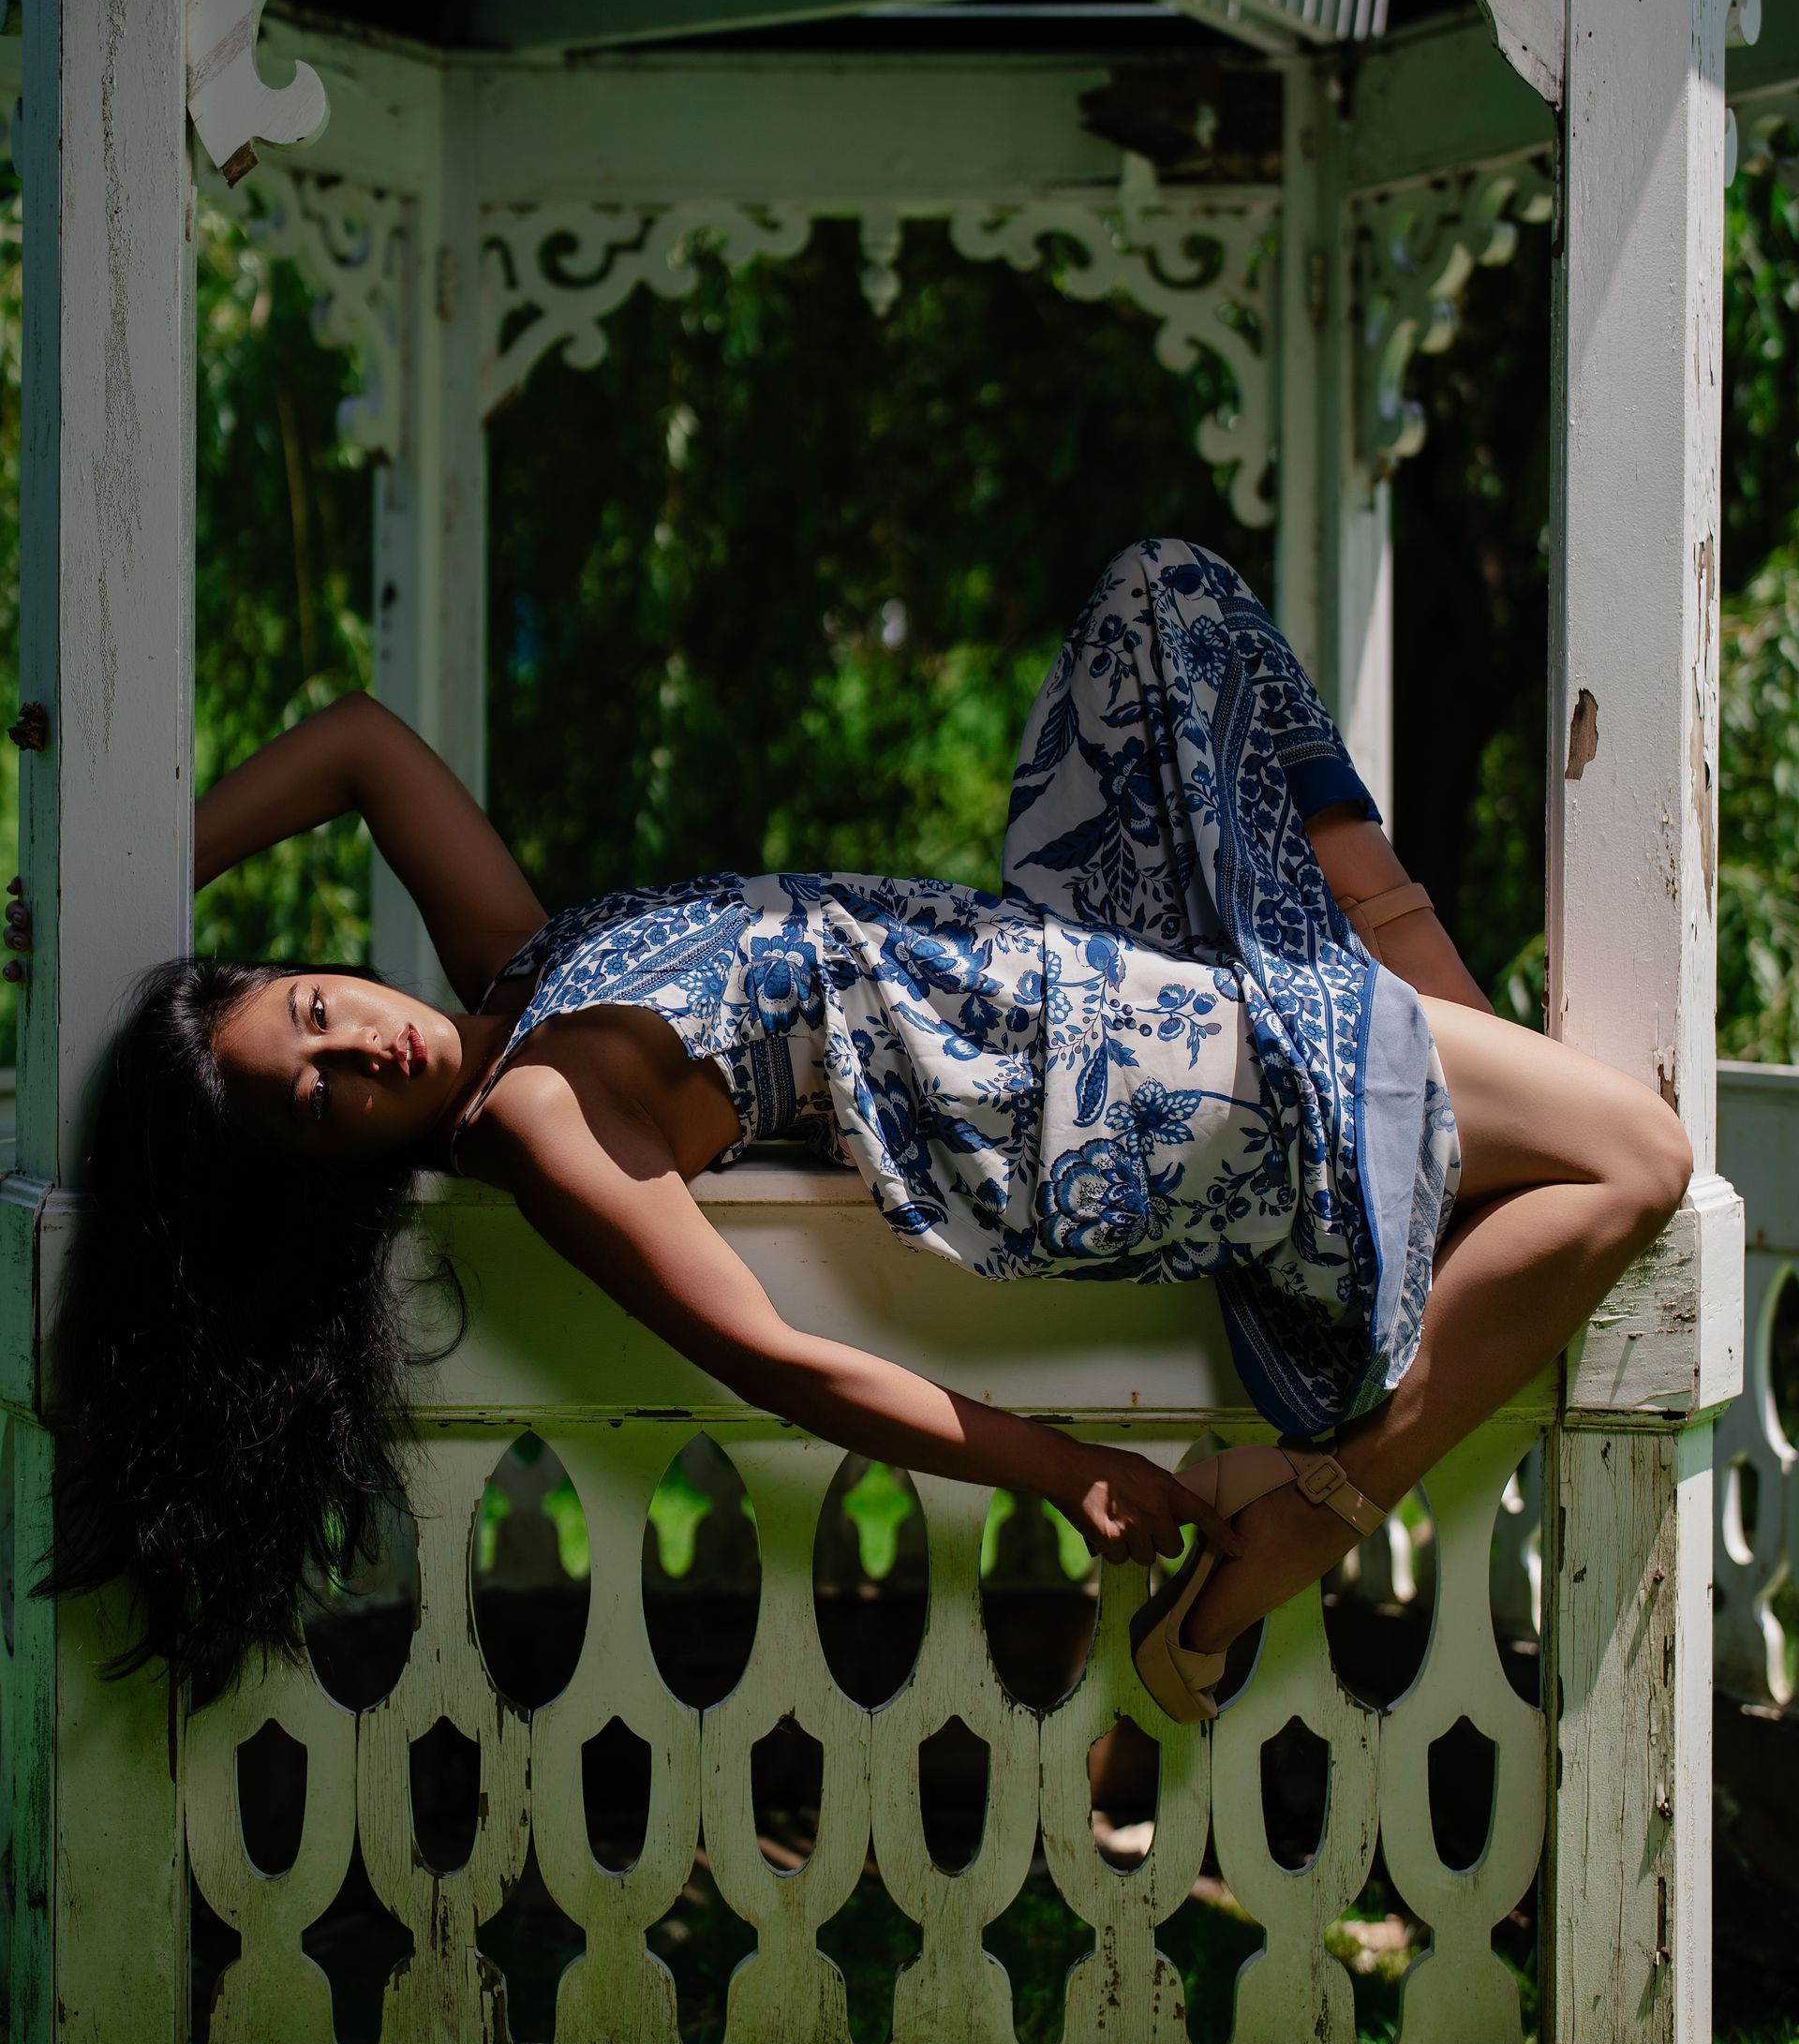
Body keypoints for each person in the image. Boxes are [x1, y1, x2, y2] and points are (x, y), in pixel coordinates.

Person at [49, 541, 1690, 1712]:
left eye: (317, 1013)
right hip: (1097, 1090)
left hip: (1054, 980)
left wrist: (110, 885)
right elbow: (777, 1360)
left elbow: (356, 744)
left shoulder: (515, 978)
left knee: (1166, 597)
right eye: (314, 1101)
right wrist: (1067, 1475)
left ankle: (1433, 1067)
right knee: (1641, 1159)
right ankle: (1310, 1516)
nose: (357, 1052)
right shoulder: (539, 1117)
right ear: (324, 1175)